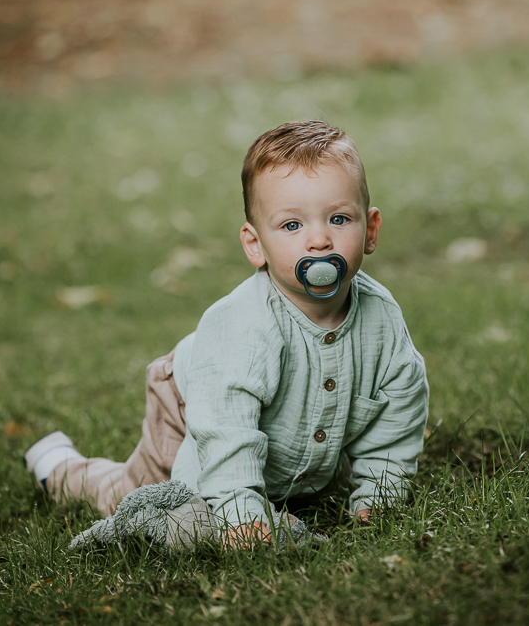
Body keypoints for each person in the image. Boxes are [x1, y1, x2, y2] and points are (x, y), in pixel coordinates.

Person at [24, 120, 429, 546]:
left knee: (273, 489)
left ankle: (267, 492)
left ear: (370, 229)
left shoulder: (381, 320)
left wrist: (379, 494)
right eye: (292, 225)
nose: (319, 239)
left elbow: (396, 413)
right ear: (255, 245)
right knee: (137, 493)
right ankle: (59, 468)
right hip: (191, 409)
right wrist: (240, 512)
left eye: (339, 218)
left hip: (280, 435)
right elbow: (223, 431)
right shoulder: (242, 325)